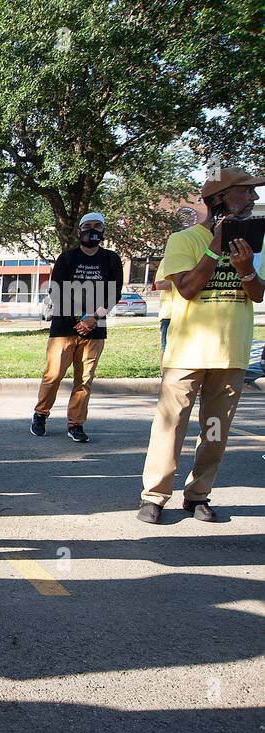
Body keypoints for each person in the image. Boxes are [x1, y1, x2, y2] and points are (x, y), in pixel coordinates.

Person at [137, 166, 264, 524]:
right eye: (246, 191)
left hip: (231, 355)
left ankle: (197, 495)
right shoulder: (184, 240)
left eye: (254, 192)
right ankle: (155, 496)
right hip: (186, 354)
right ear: (220, 198)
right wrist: (215, 249)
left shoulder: (257, 242)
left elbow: (256, 294)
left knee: (215, 431)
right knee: (169, 426)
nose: (253, 198)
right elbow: (188, 289)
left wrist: (246, 269)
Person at [31, 212, 124, 442]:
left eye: (98, 226)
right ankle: (40, 414)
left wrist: (93, 318)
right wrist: (79, 318)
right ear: (80, 230)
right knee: (53, 375)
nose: (92, 230)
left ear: (103, 231)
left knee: (84, 380)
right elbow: (55, 290)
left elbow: (114, 294)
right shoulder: (67, 258)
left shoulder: (111, 260)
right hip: (63, 329)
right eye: (88, 226)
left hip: (95, 329)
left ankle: (76, 424)